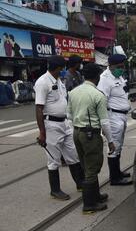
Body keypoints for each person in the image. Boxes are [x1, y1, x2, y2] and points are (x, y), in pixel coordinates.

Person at [68, 63, 115, 214]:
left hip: (77, 133)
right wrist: (111, 141)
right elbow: (105, 122)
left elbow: (69, 115)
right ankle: (89, 205)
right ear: (97, 77)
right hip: (91, 135)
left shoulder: (73, 92)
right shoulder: (98, 95)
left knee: (86, 165)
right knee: (92, 168)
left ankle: (96, 196)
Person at [35, 55, 84, 200]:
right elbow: (38, 109)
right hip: (51, 125)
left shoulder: (58, 80)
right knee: (54, 160)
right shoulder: (43, 82)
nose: (64, 71)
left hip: (64, 123)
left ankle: (80, 183)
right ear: (57, 68)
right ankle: (55, 190)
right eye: (62, 68)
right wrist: (42, 133)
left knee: (73, 155)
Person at [97, 54, 133, 186]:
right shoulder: (105, 79)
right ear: (111, 66)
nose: (122, 69)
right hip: (113, 117)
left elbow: (121, 94)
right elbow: (102, 101)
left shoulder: (118, 76)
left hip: (122, 116)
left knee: (119, 146)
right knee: (113, 147)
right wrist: (103, 122)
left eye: (123, 66)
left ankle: (118, 172)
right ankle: (114, 178)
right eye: (119, 67)